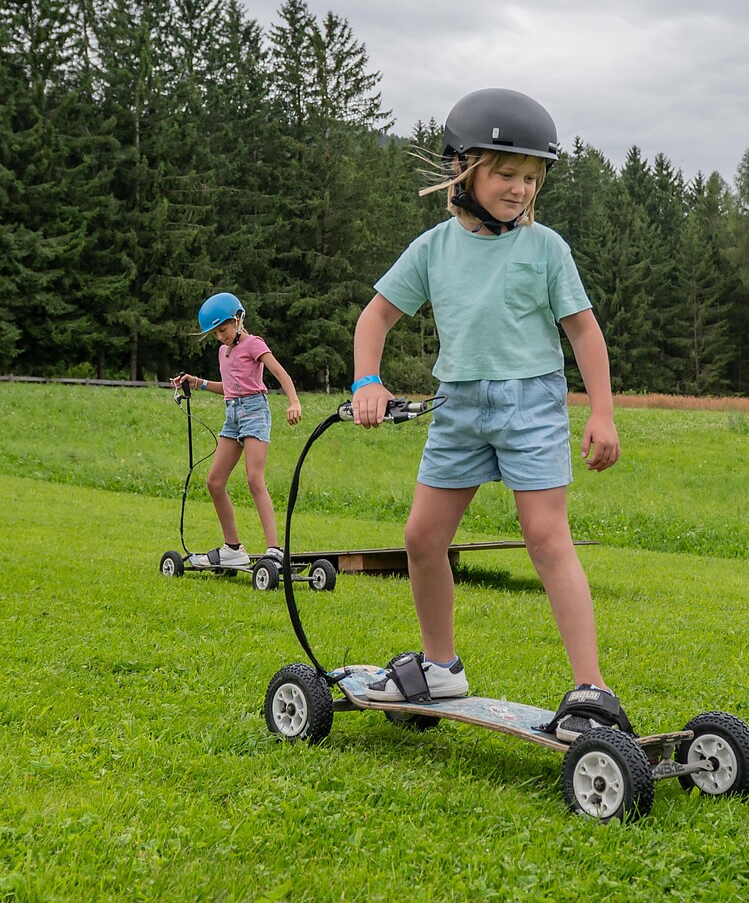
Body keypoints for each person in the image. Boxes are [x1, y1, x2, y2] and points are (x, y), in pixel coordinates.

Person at [347, 88, 630, 741]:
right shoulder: (434, 249)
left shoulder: (545, 248)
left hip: (532, 404)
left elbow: (584, 332)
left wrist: (602, 413)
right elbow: (375, 317)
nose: (520, 188)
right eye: (506, 173)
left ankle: (592, 689)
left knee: (545, 537)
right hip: (458, 406)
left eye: (531, 177)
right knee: (422, 539)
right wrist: (367, 380)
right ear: (463, 170)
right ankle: (440, 667)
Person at [171, 292, 302, 570]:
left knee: (254, 480)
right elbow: (229, 387)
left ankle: (275, 550)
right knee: (214, 482)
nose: (220, 336)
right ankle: (232, 549)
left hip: (255, 413)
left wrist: (294, 402)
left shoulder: (254, 344)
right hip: (232, 417)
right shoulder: (223, 352)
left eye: (223, 329)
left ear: (238, 319)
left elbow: (281, 374)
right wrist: (197, 382)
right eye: (215, 333)